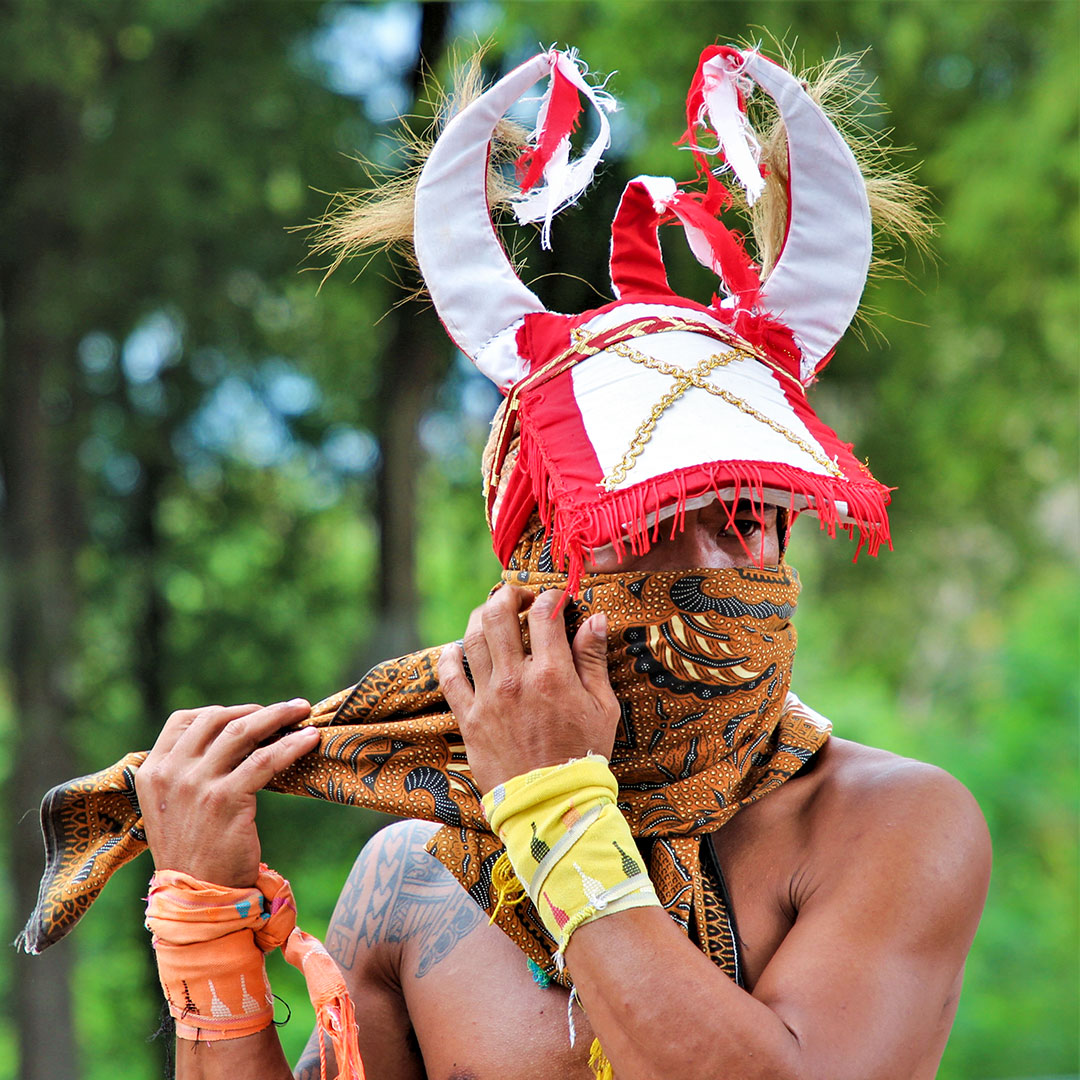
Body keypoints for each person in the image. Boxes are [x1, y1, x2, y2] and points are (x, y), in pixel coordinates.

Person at [21, 43, 990, 1080]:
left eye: (748, 518)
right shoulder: (415, 878)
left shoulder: (888, 825)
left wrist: (559, 815)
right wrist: (207, 922)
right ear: (541, 570)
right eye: (651, 517)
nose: (715, 560)